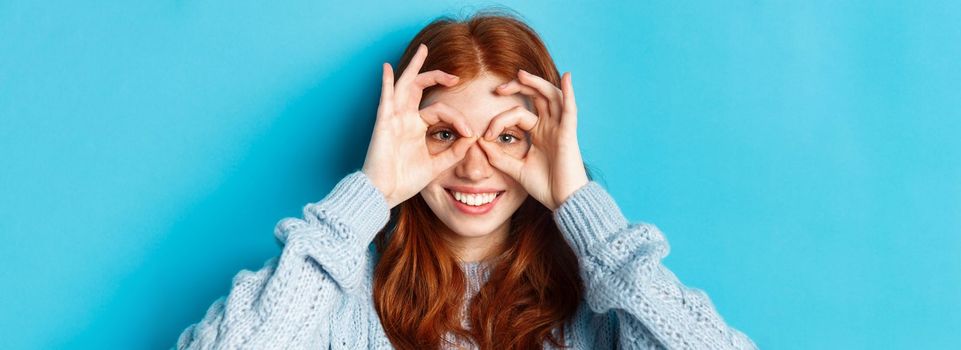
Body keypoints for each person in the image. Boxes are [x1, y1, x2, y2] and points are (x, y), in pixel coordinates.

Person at [174, 9, 758, 350]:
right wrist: (367, 195)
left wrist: (584, 208)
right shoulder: (333, 295)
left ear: (546, 144)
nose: (476, 167)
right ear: (404, 138)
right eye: (445, 134)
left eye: (507, 138)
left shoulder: (603, 308)